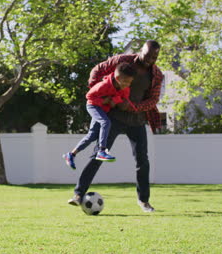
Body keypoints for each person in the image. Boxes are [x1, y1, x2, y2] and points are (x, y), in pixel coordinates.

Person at [68, 40, 164, 213]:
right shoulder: (122, 60)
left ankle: (144, 201)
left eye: (154, 57)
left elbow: (153, 100)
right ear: (141, 50)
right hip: (114, 117)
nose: (150, 60)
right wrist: (101, 93)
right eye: (147, 55)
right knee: (98, 155)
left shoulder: (157, 75)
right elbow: (97, 70)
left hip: (136, 121)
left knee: (142, 161)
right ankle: (78, 194)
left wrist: (134, 107)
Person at [63, 63, 137, 169]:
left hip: (102, 110)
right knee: (106, 122)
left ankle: (71, 154)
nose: (127, 85)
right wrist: (104, 100)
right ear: (117, 78)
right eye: (125, 81)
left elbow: (124, 98)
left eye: (130, 82)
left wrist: (115, 100)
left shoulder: (125, 88)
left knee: (92, 135)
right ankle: (101, 151)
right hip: (93, 106)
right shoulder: (103, 85)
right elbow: (89, 96)